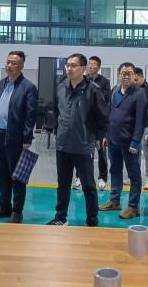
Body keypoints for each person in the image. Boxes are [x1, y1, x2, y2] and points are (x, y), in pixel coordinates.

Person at [47, 53, 109, 226]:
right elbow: (57, 111)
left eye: (73, 65)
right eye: (68, 65)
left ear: (83, 69)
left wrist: (99, 137)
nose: (69, 68)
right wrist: (59, 132)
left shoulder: (93, 90)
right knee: (63, 184)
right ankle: (61, 217)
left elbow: (103, 117)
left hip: (83, 145)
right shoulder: (60, 88)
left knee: (88, 185)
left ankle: (92, 220)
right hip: (63, 145)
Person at [0, 51, 38, 224]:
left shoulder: (28, 87)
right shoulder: (2, 84)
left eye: (13, 63)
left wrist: (26, 138)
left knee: (17, 176)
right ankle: (5, 206)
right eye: (8, 62)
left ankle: (17, 210)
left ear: (21, 66)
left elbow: (31, 115)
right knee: (2, 174)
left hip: (15, 138)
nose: (9, 65)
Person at [99, 62, 147, 219]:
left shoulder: (140, 94)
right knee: (115, 171)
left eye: (129, 74)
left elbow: (140, 120)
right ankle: (115, 200)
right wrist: (106, 135)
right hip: (113, 140)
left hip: (129, 143)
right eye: (123, 73)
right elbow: (110, 115)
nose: (126, 76)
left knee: (134, 175)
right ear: (119, 74)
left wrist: (136, 141)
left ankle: (133, 206)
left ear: (134, 76)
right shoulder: (115, 90)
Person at [72, 56, 112, 191]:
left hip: (99, 122)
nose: (91, 66)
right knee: (83, 152)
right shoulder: (83, 80)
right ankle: (79, 177)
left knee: (101, 151)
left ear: (99, 67)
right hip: (85, 123)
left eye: (94, 64)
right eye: (89, 64)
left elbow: (106, 102)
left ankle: (102, 178)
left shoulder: (104, 82)